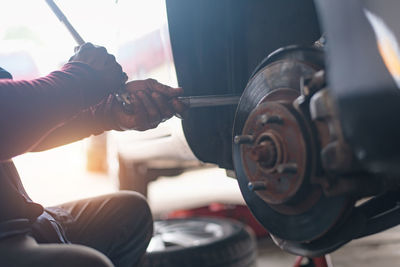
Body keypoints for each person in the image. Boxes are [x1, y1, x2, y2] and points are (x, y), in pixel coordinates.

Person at [0, 42, 186, 267]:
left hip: (17, 219)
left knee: (128, 216)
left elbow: (18, 128)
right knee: (88, 264)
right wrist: (81, 76)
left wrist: (110, 113)